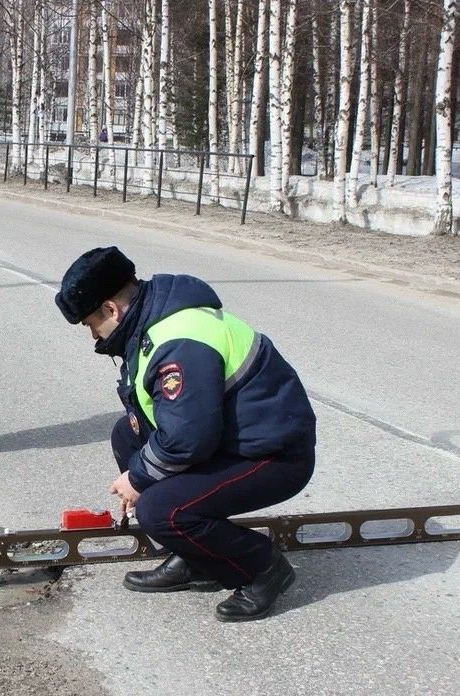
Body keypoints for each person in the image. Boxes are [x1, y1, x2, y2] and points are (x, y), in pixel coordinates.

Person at [55, 247, 316, 622]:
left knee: (159, 510)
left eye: (90, 324)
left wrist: (137, 479)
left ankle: (262, 567)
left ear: (111, 310)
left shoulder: (178, 340)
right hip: (231, 440)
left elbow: (188, 438)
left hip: (273, 455)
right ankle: (197, 557)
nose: (93, 335)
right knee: (126, 435)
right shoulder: (153, 320)